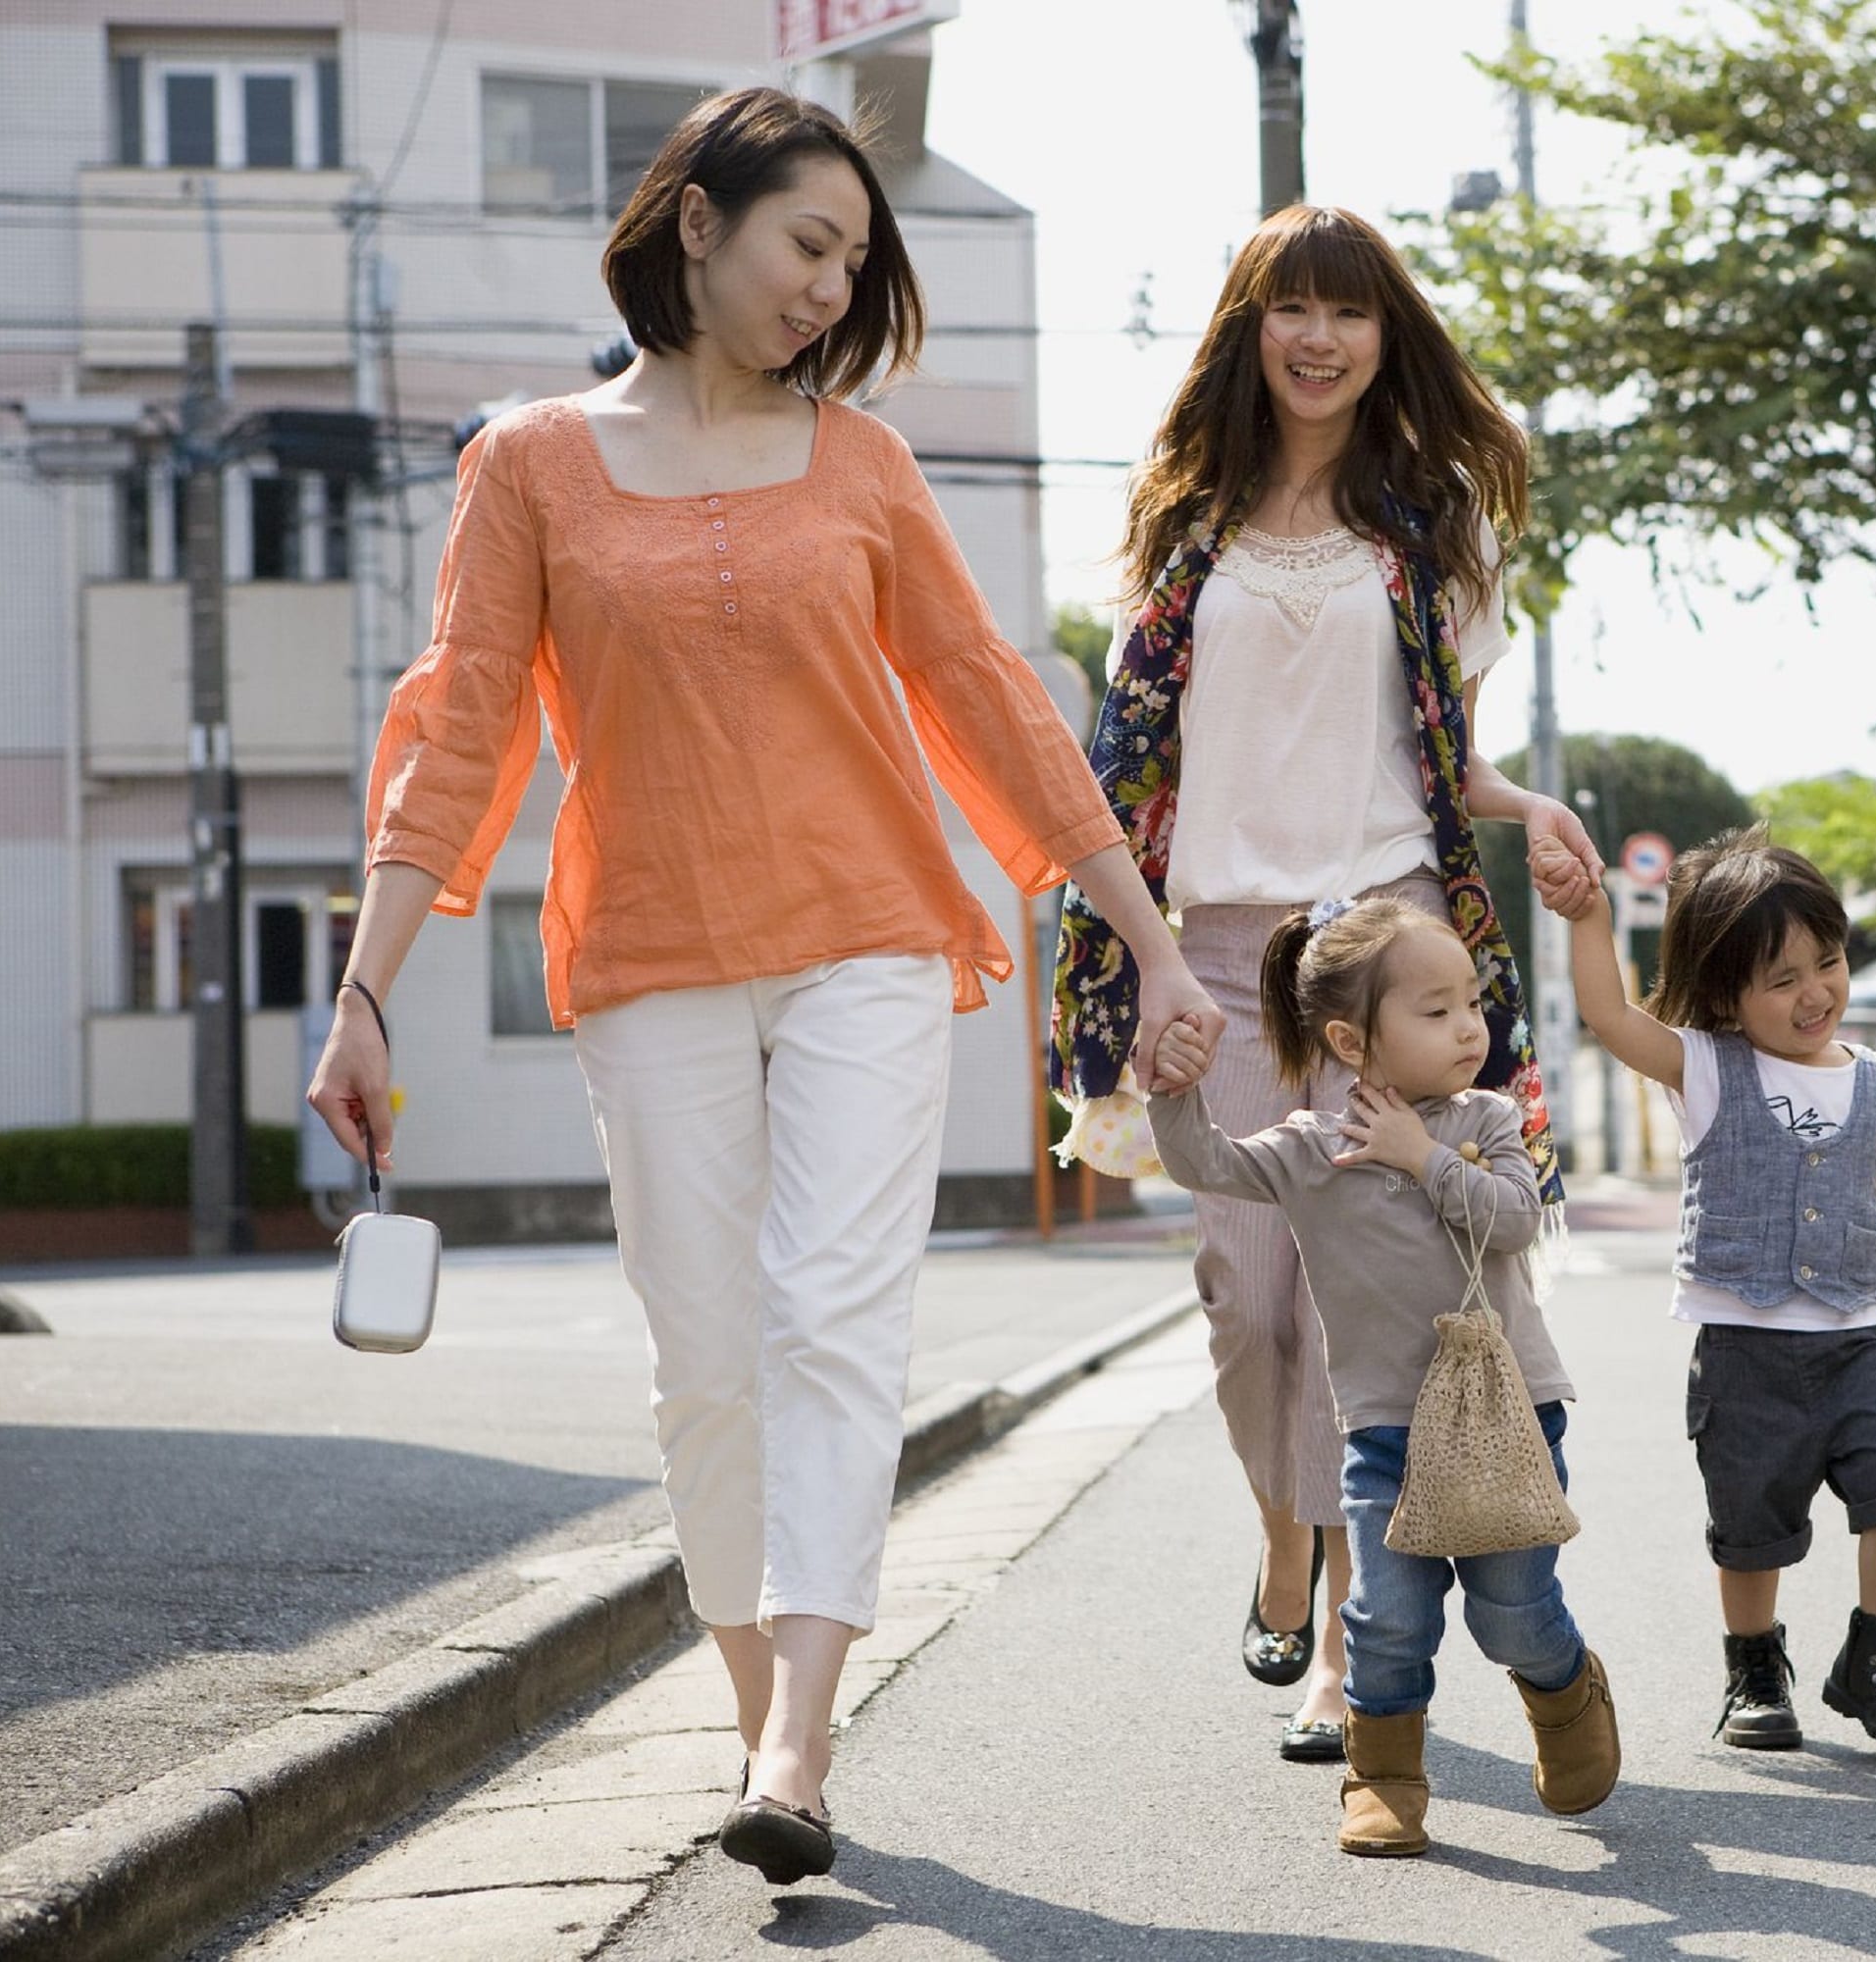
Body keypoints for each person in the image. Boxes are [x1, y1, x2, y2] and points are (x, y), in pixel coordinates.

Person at [304, 88, 1218, 1887]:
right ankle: (758, 1723)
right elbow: (461, 720)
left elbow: (984, 695)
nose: (830, 288)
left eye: (855, 265)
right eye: (811, 245)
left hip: (869, 939)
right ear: (698, 223)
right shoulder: (533, 462)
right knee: (704, 1358)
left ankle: (796, 1742)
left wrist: (1144, 927)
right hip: (645, 956)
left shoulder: (862, 465)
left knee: (826, 1317)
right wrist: (367, 991)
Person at [1046, 206, 1603, 1763]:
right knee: (1247, 1301)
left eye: (1347, 313)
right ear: (1251, 327)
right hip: (1219, 951)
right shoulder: (1182, 528)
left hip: (1388, 940)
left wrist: (1530, 813)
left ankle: (1350, 1657)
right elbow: (1132, 763)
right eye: (1289, 307)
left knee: (1374, 1294)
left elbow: (1448, 753)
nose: (1320, 337)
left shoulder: (1433, 528)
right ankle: (1286, 1537)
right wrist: (1133, 953)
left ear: (1384, 336)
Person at [1145, 897, 1616, 1856]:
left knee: (1511, 1613)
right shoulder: (1308, 1147)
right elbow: (1205, 1159)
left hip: (1509, 1412)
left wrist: (1425, 1156)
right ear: (1353, 1038)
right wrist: (1174, 1088)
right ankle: (1386, 1777)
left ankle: (1566, 1692)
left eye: (1472, 1003)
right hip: (1384, 1430)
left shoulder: (1487, 1117)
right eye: (1436, 1010)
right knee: (1387, 1615)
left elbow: (1516, 1221)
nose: (1469, 1026)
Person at [1537, 825, 1876, 1751]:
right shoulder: (1708, 1070)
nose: (1817, 994)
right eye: (1783, 979)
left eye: (1830, 963)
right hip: (1746, 1342)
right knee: (1750, 1523)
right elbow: (1610, 1016)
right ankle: (1755, 1672)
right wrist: (1590, 916)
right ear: (1729, 993)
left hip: (1862, 1334)